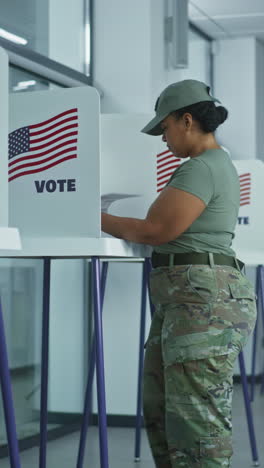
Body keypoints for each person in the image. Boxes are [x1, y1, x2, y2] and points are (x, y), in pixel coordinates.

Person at [101, 79, 257, 467]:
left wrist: (89, 215)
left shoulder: (202, 168)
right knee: (163, 408)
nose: (163, 138)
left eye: (165, 127)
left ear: (187, 120)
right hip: (186, 302)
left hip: (203, 303)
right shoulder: (207, 166)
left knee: (196, 423)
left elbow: (154, 230)